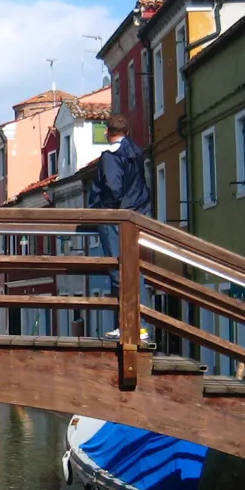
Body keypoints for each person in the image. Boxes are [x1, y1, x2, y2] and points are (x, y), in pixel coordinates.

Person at [88, 115, 151, 341]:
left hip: (115, 219)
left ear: (107, 133)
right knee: (132, 269)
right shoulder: (135, 152)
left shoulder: (111, 157)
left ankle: (131, 325)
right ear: (127, 132)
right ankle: (137, 325)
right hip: (136, 215)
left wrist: (104, 208)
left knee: (120, 271)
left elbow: (113, 187)